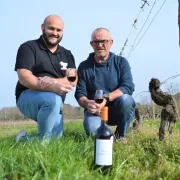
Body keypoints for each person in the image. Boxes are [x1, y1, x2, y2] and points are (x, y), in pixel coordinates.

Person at [15, 15, 77, 141]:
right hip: (27, 96)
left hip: (56, 103)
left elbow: (73, 80)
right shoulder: (28, 48)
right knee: (52, 99)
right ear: (43, 27)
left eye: (58, 30)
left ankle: (23, 139)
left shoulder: (67, 54)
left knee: (55, 139)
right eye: (51, 28)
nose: (55, 33)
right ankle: (43, 144)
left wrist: (52, 81)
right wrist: (52, 87)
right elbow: (24, 77)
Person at [75, 28, 135, 142]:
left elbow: (128, 86)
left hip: (117, 109)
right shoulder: (84, 66)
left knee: (126, 100)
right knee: (95, 136)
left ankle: (120, 135)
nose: (100, 45)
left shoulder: (121, 62)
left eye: (104, 41)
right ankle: (107, 136)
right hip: (95, 112)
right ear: (91, 44)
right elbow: (80, 93)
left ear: (111, 42)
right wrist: (87, 103)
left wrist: (106, 98)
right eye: (96, 42)